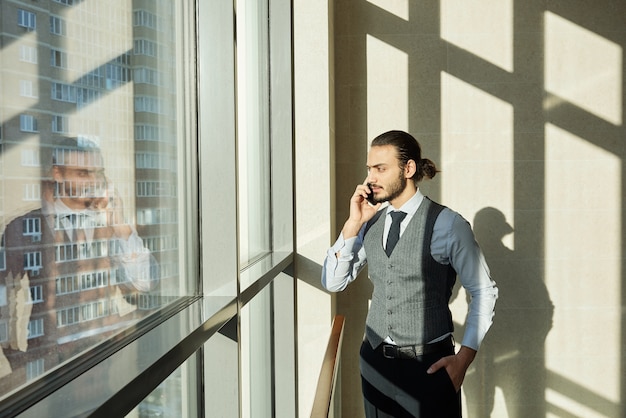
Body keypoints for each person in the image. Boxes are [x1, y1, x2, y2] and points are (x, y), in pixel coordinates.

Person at [321, 130, 498, 417]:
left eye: (380, 168)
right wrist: (353, 224)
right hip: (375, 362)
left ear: (409, 169)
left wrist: (464, 359)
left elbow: (483, 290)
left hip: (429, 367)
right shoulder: (370, 222)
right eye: (369, 169)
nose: (371, 178)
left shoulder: (448, 224)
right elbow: (334, 281)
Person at [0, 137, 159, 394]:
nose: (92, 181)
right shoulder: (24, 226)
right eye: (82, 173)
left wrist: (120, 226)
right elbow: (4, 297)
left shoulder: (111, 223)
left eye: (97, 173)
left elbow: (145, 283)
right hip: (48, 362)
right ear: (57, 174)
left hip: (104, 354)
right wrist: (14, 356)